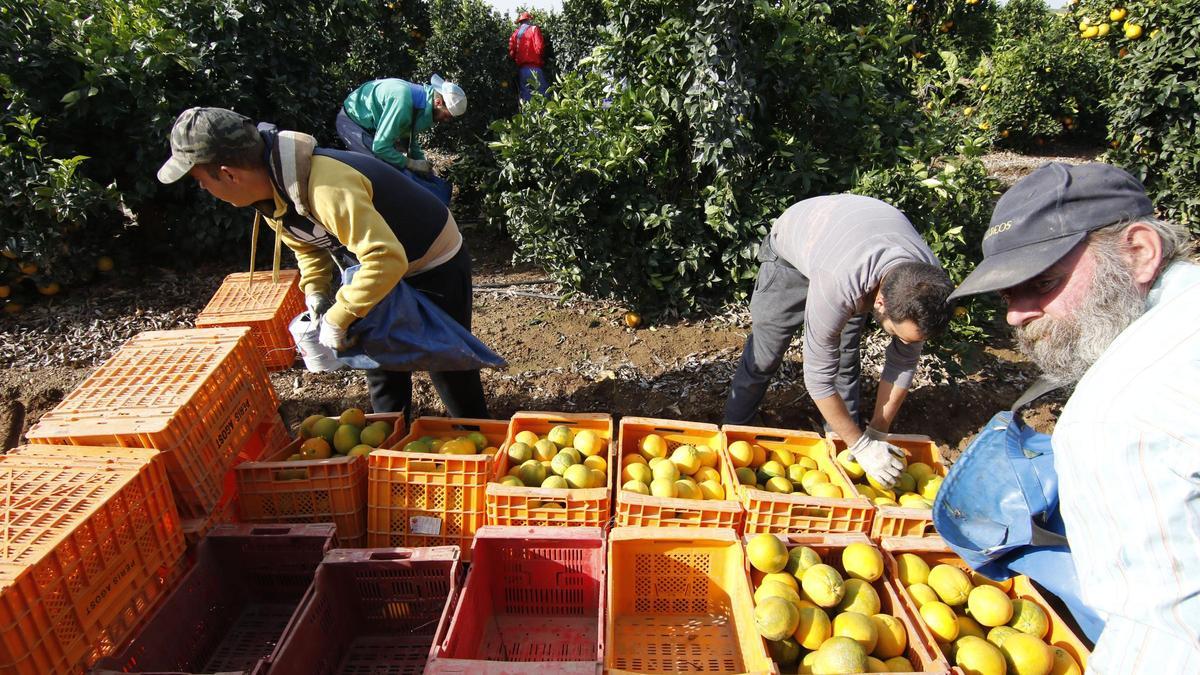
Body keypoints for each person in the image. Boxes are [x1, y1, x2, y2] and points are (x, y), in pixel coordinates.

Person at [949, 161, 1200, 672]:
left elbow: (1169, 643)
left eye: (1042, 283)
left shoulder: (1117, 415)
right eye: (1006, 294)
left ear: (1139, 253)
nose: (1015, 315)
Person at [158, 106, 489, 421]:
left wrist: (339, 317)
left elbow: (386, 258)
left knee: (447, 362)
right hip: (374, 262)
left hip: (430, 257)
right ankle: (391, 438)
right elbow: (305, 244)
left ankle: (476, 434)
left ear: (228, 174)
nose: (203, 188)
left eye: (202, 180)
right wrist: (316, 292)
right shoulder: (272, 192)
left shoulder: (324, 186)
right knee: (377, 362)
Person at [723, 194, 954, 487]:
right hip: (795, 250)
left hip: (850, 247)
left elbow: (904, 361)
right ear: (880, 302)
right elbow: (818, 379)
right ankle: (734, 432)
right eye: (896, 333)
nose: (900, 341)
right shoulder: (841, 284)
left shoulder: (927, 288)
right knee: (765, 355)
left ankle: (840, 450)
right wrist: (863, 446)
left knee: (845, 362)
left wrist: (877, 434)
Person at [335, 75, 466, 205]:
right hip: (353, 124)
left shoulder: (422, 103)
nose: (446, 120)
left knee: (402, 173)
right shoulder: (403, 101)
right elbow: (380, 147)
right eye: (447, 115)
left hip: (373, 130)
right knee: (382, 173)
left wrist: (423, 165)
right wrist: (411, 164)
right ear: (438, 102)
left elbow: (409, 139)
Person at [509, 11, 548, 102]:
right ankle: (544, 115)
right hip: (535, 68)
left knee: (526, 98)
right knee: (543, 96)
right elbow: (539, 48)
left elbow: (511, 53)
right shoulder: (534, 29)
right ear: (529, 20)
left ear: (520, 22)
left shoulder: (515, 34)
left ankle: (527, 116)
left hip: (522, 70)